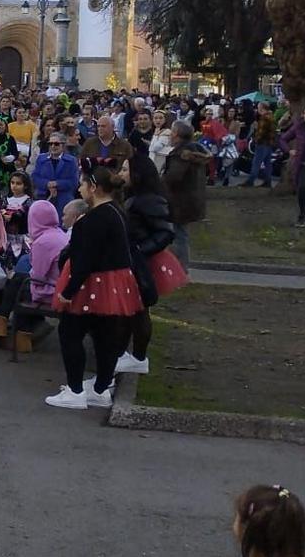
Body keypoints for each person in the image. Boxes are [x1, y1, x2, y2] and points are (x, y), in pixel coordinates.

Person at [44, 166, 142, 410]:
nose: (79, 188)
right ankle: (100, 389)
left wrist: (68, 291)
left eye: (83, 184)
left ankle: (76, 390)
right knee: (105, 336)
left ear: (94, 187)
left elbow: (83, 260)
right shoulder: (117, 212)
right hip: (115, 282)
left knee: (70, 333)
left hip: (94, 283)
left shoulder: (91, 220)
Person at [116, 151, 188, 376]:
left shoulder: (149, 199)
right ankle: (130, 354)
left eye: (126, 169)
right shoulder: (134, 195)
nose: (121, 173)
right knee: (132, 309)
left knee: (139, 309)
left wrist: (139, 251)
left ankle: (138, 357)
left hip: (141, 260)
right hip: (134, 257)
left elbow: (165, 233)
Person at [162, 121, 211, 262]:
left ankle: (181, 269)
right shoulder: (196, 151)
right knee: (180, 234)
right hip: (191, 199)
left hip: (180, 202)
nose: (170, 135)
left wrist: (158, 182)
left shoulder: (181, 154)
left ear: (176, 134)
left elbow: (173, 178)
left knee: (179, 237)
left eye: (172, 132)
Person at [30, 132, 81, 209]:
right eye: (50, 144)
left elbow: (74, 182)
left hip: (64, 200)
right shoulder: (41, 158)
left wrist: (56, 184)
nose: (53, 146)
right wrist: (47, 184)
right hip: (43, 197)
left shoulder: (71, 161)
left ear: (63, 145)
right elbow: (35, 177)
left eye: (56, 144)